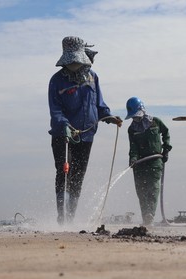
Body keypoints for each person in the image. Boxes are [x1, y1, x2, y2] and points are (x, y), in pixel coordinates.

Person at [48, 36, 122, 224]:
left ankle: (71, 216)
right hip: (63, 136)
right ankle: (61, 216)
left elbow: (99, 105)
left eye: (76, 59)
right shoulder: (56, 81)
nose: (73, 63)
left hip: (87, 135)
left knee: (78, 177)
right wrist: (65, 125)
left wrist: (109, 117)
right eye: (70, 60)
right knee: (64, 173)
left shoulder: (92, 77)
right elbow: (56, 110)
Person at [126, 97, 172, 226]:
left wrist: (166, 149)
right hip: (139, 164)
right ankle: (145, 216)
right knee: (141, 191)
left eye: (137, 115)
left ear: (142, 110)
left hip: (155, 161)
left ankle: (150, 215)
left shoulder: (155, 122)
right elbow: (133, 146)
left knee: (153, 189)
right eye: (133, 117)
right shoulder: (132, 129)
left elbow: (166, 133)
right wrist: (133, 158)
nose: (135, 119)